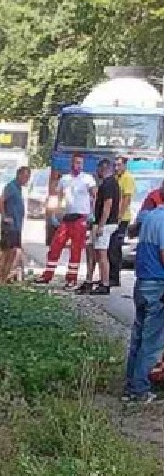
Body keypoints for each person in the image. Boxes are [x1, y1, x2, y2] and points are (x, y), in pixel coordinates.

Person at [35, 154, 98, 289]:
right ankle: (47, 275)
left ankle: (71, 279)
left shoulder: (88, 179)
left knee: (76, 250)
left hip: (80, 218)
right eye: (76, 163)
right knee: (55, 246)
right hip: (67, 217)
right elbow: (57, 196)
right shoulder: (65, 179)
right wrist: (53, 213)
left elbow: (95, 195)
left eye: (80, 163)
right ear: (72, 164)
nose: (78, 165)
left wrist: (92, 214)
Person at [123, 206, 164, 403]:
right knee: (152, 341)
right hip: (157, 285)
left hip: (141, 282)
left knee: (138, 339)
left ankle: (131, 386)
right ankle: (140, 390)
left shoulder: (150, 216)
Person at [78, 159, 118, 295]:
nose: (97, 172)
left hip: (105, 224)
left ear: (103, 169)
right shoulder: (110, 183)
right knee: (91, 250)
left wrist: (101, 225)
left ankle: (104, 284)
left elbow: (108, 205)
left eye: (98, 169)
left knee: (101, 254)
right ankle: (89, 281)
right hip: (100, 223)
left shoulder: (108, 184)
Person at [0, 166, 31, 284]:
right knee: (6, 252)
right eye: (25, 176)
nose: (27, 179)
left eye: (28, 177)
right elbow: (1, 200)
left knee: (13, 252)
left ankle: (5, 278)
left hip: (16, 226)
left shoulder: (19, 188)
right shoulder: (11, 187)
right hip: (9, 227)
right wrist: (5, 216)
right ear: (19, 175)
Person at [109, 156, 135, 286]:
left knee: (115, 247)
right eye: (115, 165)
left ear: (125, 165)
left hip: (122, 219)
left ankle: (114, 278)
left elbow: (126, 199)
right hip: (113, 217)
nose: (116, 168)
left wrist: (119, 216)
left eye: (119, 165)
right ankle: (110, 276)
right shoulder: (116, 178)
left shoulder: (127, 178)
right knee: (110, 248)